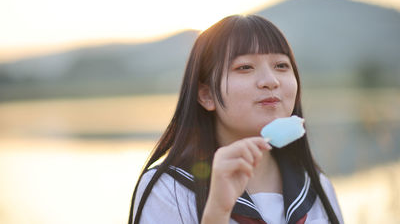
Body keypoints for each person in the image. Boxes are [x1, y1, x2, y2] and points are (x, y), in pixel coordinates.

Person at [128, 15, 344, 224]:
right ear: (207, 95)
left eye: (281, 65)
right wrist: (217, 212)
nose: (271, 80)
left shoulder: (317, 188)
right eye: (245, 67)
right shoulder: (169, 189)